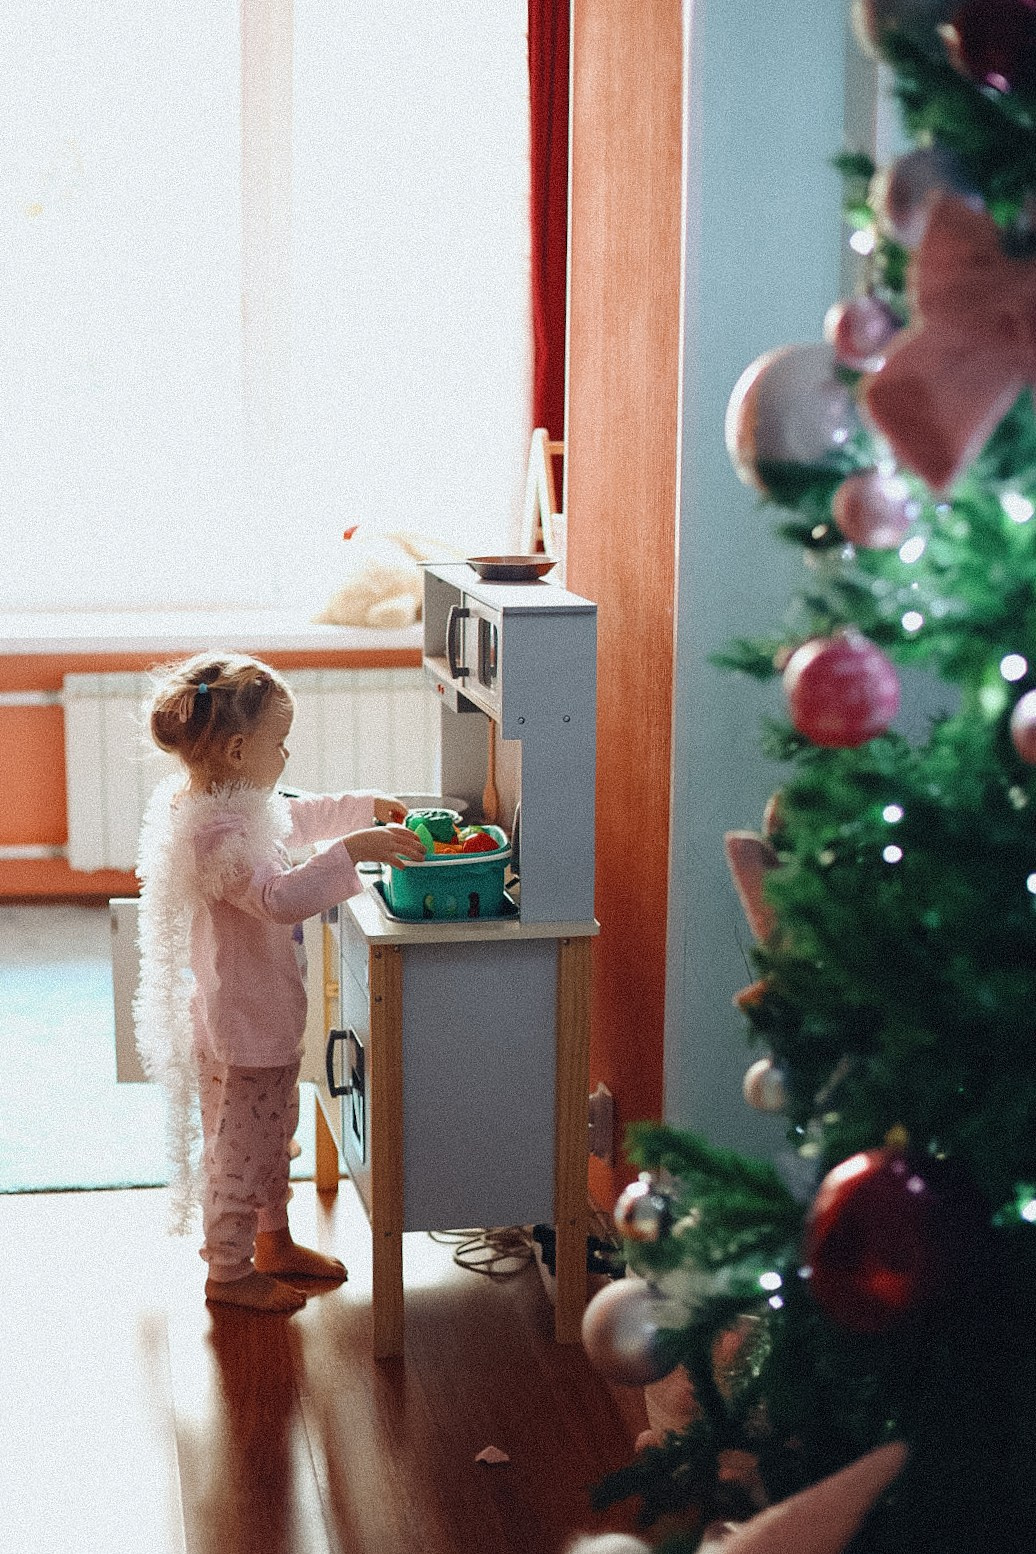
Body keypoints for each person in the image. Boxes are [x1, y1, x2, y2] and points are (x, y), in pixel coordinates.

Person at [133, 651, 427, 1314]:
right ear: (239, 750)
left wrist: (359, 811)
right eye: (281, 744)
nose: (286, 756)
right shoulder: (215, 836)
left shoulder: (231, 804)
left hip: (249, 1013)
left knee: (268, 1131)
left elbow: (297, 814)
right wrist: (353, 853)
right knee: (240, 1152)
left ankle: (274, 1241)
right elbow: (277, 899)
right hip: (242, 1025)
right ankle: (229, 1274)